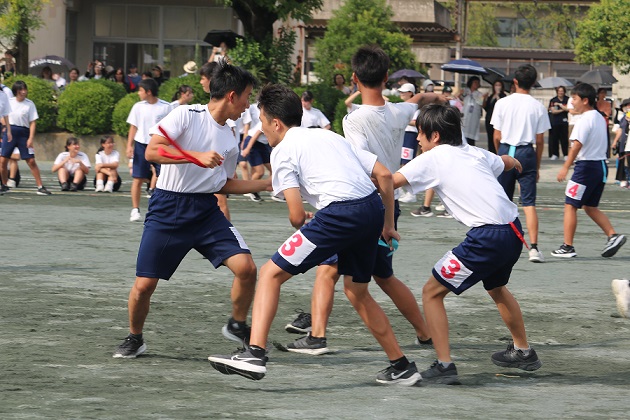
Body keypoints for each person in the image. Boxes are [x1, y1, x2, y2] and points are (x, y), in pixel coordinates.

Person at [208, 83, 422, 386]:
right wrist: (388, 224)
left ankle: (254, 352)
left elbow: (296, 216)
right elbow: (384, 175)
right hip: (371, 210)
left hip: (341, 214)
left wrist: (310, 220)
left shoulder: (281, 151)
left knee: (270, 273)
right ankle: (401, 366)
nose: (262, 129)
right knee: (357, 291)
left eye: (262, 121)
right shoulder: (328, 134)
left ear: (276, 123)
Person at [284, 45, 439, 357]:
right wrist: (435, 98)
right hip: (389, 204)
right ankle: (426, 333)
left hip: (364, 205)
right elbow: (418, 100)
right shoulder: (399, 110)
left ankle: (317, 337)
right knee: (383, 275)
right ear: (386, 78)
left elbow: (365, 167)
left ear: (354, 78)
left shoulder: (354, 120)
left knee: (329, 269)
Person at [112, 60, 268, 359]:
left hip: (206, 211)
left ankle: (237, 324)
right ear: (232, 96)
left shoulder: (231, 136)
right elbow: (153, 150)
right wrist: (194, 156)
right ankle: (135, 337)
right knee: (144, 285)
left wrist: (267, 185)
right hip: (168, 207)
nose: (248, 105)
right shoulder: (186, 114)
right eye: (247, 97)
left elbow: (224, 183)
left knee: (247, 269)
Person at [392, 103, 542, 384]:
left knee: (431, 293)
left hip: (487, 238)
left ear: (434, 136)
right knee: (497, 287)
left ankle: (444, 364)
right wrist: (514, 161)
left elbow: (389, 182)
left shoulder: (433, 157)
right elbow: (505, 162)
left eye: (420, 134)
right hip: (513, 231)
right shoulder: (473, 152)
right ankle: (523, 350)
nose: (418, 140)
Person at [551, 83, 626, 259]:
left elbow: (577, 145)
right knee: (590, 206)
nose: (572, 102)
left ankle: (568, 246)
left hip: (586, 167)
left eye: (575, 99)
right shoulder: (599, 117)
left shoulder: (584, 119)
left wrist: (565, 167)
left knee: (570, 205)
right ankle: (613, 235)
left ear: (585, 101)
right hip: (600, 166)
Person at [491, 64, 550, 263]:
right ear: (533, 83)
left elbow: (497, 135)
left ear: (515, 81)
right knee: (529, 202)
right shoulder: (538, 106)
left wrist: (499, 155)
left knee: (502, 199)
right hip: (527, 152)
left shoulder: (502, 103)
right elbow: (540, 140)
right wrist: (538, 165)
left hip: (506, 150)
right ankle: (533, 248)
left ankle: (498, 244)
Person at [126, 78, 172, 222]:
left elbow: (172, 128)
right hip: (141, 144)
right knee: (137, 178)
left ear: (149, 92)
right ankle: (135, 210)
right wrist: (129, 145)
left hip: (159, 145)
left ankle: (162, 210)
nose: (138, 93)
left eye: (140, 90)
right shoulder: (138, 106)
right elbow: (133, 127)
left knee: (164, 179)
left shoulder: (166, 107)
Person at [0, 81, 52, 195]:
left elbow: (33, 122)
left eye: (25, 89)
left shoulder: (30, 104)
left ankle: (40, 186)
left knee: (31, 160)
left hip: (23, 133)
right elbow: (2, 116)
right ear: (16, 91)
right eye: (21, 90)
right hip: (10, 132)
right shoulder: (9, 101)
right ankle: (4, 185)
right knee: (3, 160)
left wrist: (30, 138)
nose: (23, 92)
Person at [240, 101, 271, 202]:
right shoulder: (267, 120)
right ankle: (250, 189)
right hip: (252, 143)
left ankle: (273, 191)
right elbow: (255, 135)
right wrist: (247, 149)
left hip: (263, 145)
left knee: (273, 169)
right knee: (260, 171)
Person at [397, 83, 421, 203]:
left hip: (410, 135)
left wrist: (403, 119)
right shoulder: (403, 106)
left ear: (411, 93)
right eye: (400, 91)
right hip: (404, 134)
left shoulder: (415, 107)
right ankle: (401, 189)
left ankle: (412, 193)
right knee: (401, 163)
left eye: (404, 92)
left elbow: (416, 122)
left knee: (406, 164)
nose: (401, 93)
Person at [483, 80, 507, 154]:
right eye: (496, 85)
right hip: (489, 118)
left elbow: (502, 107)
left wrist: (498, 96)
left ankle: (497, 152)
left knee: (496, 137)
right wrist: (485, 98)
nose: (497, 87)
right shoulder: (491, 96)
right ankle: (490, 151)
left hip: (497, 120)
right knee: (490, 137)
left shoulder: (503, 96)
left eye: (499, 85)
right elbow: (486, 107)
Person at [461, 76, 486, 146]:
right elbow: (456, 99)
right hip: (464, 116)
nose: (476, 84)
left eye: (478, 83)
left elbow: (482, 105)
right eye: (475, 82)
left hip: (473, 118)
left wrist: (484, 98)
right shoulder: (465, 92)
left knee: (471, 139)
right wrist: (459, 93)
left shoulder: (479, 94)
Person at [611, 98, 630, 188]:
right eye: (626, 106)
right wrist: (615, 141)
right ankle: (623, 179)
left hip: (628, 142)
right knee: (623, 161)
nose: (627, 107)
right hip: (624, 143)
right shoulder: (623, 117)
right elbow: (620, 130)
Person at [548, 86, 570, 160]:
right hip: (555, 122)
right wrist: (563, 109)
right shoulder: (553, 100)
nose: (561, 92)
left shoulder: (568, 99)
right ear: (557, 92)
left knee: (564, 139)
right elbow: (553, 111)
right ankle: (555, 154)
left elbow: (568, 109)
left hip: (565, 122)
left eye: (562, 91)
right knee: (555, 139)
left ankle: (566, 154)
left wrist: (561, 106)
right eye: (559, 91)